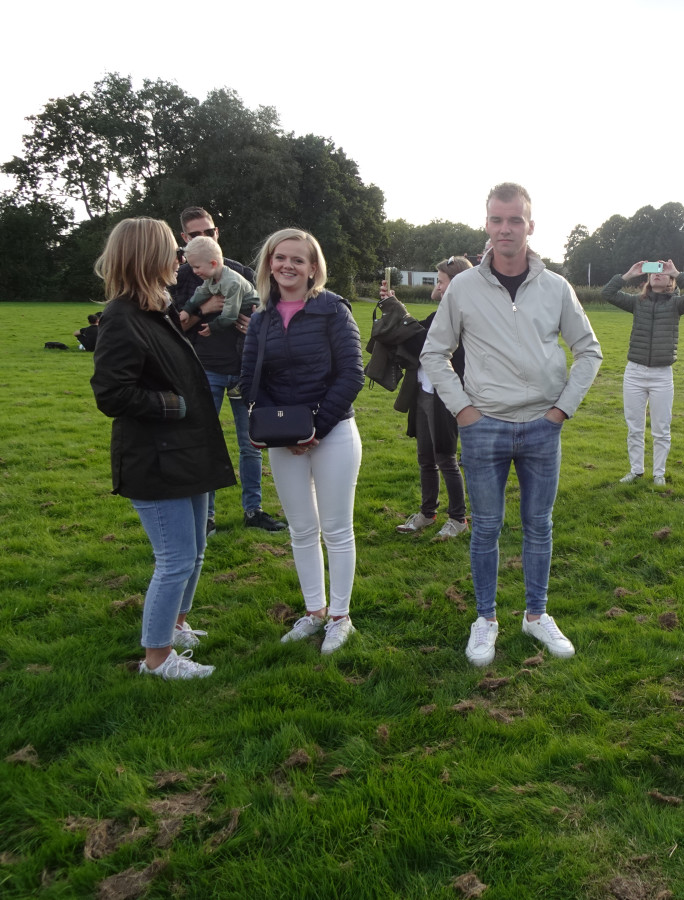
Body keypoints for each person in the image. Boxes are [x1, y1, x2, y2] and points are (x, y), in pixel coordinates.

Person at [421, 182, 602, 667]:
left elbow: (589, 350)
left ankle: (536, 615)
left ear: (530, 226)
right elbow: (434, 353)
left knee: (539, 525)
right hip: (484, 427)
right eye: (497, 220)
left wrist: (561, 410)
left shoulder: (556, 287)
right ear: (487, 224)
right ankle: (485, 619)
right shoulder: (463, 287)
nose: (506, 229)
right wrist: (464, 410)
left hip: (543, 427)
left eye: (515, 220)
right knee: (485, 528)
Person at [90, 217, 235, 679]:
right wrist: (171, 405)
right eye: (172, 250)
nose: (179, 259)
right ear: (147, 257)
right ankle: (156, 659)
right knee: (175, 560)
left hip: (187, 451)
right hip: (156, 458)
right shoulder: (121, 317)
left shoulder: (155, 309)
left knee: (195, 551)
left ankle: (176, 625)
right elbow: (111, 394)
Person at [241, 228, 365, 654]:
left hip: (334, 433)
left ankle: (340, 617)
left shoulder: (333, 310)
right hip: (284, 438)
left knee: (337, 529)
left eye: (298, 259)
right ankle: (314, 611)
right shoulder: (261, 318)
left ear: (313, 268)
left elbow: (352, 374)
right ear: (269, 263)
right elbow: (250, 380)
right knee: (301, 529)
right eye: (280, 257)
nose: (287, 265)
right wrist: (283, 429)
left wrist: (316, 428)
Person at [169, 207, 285, 535]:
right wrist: (203, 310)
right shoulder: (179, 277)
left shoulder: (240, 272)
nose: (203, 238)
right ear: (184, 238)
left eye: (208, 232)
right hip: (204, 369)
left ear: (216, 233)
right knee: (205, 442)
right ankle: (206, 517)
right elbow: (170, 328)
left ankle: (254, 511)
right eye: (195, 235)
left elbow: (271, 315)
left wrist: (256, 326)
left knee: (251, 444)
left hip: (244, 370)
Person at [386, 255, 471, 540]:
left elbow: (419, 340)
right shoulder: (440, 314)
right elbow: (416, 331)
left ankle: (458, 518)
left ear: (456, 284)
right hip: (424, 393)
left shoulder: (461, 317)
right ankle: (427, 513)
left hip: (445, 397)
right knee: (426, 458)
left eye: (441, 281)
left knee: (445, 458)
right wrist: (394, 304)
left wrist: (396, 308)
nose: (438, 286)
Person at [602, 258, 684, 485]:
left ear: (670, 281)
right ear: (648, 278)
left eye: (663, 272)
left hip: (662, 375)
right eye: (654, 272)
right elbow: (607, 293)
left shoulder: (677, 304)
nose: (658, 274)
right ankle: (636, 471)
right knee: (634, 428)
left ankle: (659, 474)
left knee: (661, 429)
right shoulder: (637, 302)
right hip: (634, 373)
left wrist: (677, 272)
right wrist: (628, 275)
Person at [179, 235, 259, 335]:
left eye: (197, 267)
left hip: (251, 311)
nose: (194, 271)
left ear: (213, 264)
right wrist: (187, 310)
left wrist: (212, 326)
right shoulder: (211, 276)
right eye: (192, 267)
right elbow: (201, 293)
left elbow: (230, 315)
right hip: (236, 312)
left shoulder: (232, 283)